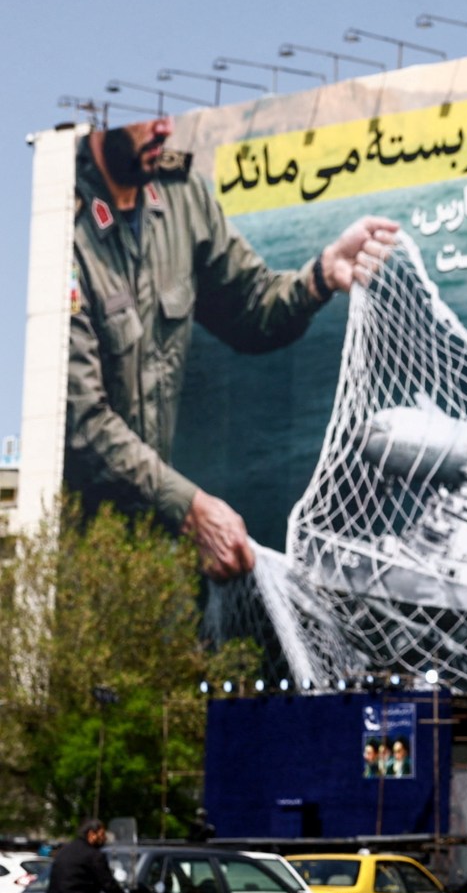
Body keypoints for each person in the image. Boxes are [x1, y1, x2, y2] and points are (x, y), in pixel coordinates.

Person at [68, 115, 399, 578]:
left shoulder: (182, 195)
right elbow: (81, 422)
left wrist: (320, 276)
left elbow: (251, 308)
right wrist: (191, 509)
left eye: (168, 113)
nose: (165, 128)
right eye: (148, 116)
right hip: (78, 551)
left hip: (155, 545)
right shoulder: (62, 224)